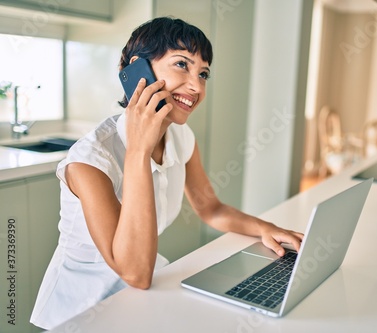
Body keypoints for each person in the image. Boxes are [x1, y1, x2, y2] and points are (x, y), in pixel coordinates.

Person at [30, 16, 303, 330]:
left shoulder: (180, 137)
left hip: (140, 300)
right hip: (79, 312)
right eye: (182, 65)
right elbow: (134, 272)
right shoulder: (90, 160)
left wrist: (265, 228)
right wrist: (138, 151)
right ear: (137, 71)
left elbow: (210, 208)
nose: (197, 86)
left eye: (203, 73)